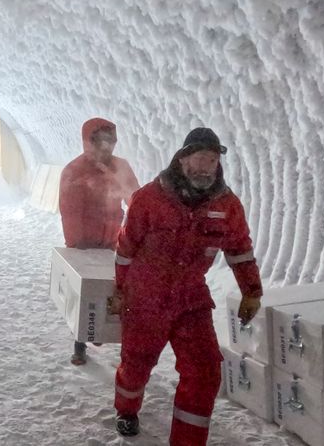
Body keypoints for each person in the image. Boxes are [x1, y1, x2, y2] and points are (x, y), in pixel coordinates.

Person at [109, 127, 262, 445]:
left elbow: (240, 250)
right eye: (199, 158)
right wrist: (120, 290)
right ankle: (126, 409)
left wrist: (252, 291)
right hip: (146, 296)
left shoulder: (226, 205)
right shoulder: (150, 198)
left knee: (205, 371)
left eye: (211, 160)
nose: (205, 167)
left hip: (191, 298)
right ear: (182, 159)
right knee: (137, 364)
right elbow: (126, 248)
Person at [58, 117, 141, 365]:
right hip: (84, 243)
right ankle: (80, 342)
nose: (106, 147)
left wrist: (138, 231)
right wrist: (77, 244)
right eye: (100, 141)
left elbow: (136, 200)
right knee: (85, 293)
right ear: (89, 141)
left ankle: (105, 334)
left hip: (114, 240)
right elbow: (70, 211)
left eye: (110, 141)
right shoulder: (74, 171)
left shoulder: (120, 168)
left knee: (115, 291)